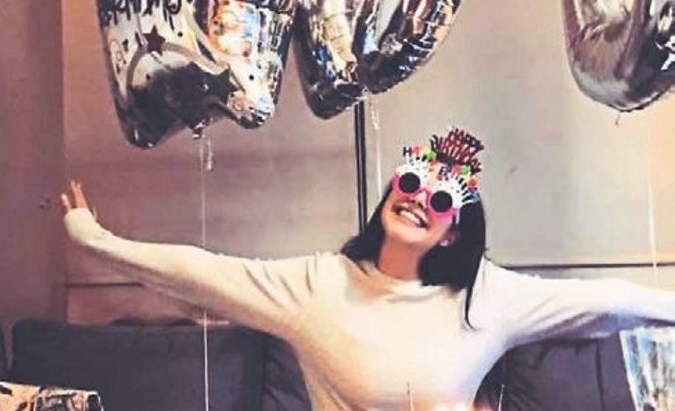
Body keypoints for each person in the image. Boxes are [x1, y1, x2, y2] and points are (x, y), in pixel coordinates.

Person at [61, 128, 675, 410]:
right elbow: (203, 273)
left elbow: (605, 301)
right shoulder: (319, 286)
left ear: (452, 230)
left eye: (439, 199)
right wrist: (97, 241)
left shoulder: (486, 295)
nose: (418, 199)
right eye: (410, 183)